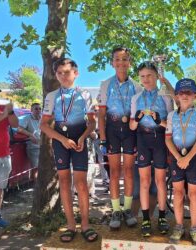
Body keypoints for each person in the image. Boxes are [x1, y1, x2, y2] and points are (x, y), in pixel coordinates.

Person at [40, 58, 98, 242]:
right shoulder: (51, 96)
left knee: (81, 184)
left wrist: (83, 137)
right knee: (64, 183)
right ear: (55, 75)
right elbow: (44, 125)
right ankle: (71, 225)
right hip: (60, 141)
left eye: (67, 72)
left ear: (76, 73)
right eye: (59, 73)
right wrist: (62, 140)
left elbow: (92, 122)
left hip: (80, 141)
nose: (63, 76)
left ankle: (86, 225)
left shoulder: (85, 94)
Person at [98, 47, 142, 229]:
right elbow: (101, 114)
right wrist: (102, 139)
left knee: (129, 171)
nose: (121, 62)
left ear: (130, 63)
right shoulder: (106, 84)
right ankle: (116, 209)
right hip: (112, 128)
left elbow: (139, 115)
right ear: (112, 63)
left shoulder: (137, 86)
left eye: (125, 59)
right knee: (115, 171)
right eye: (117, 59)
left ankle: (127, 209)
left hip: (130, 129)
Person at [129, 61, 174, 236]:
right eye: (142, 76)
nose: (146, 79)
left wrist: (158, 121)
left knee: (160, 181)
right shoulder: (136, 98)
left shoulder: (164, 96)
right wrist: (137, 119)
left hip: (160, 139)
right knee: (145, 181)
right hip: (142, 139)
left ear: (156, 76)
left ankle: (162, 216)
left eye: (149, 75)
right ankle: (146, 217)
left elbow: (170, 124)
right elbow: (132, 127)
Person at [165, 78, 196, 246]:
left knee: (195, 194)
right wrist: (178, 158)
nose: (184, 95)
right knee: (178, 193)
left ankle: (195, 228)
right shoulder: (170, 116)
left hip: (193, 157)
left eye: (188, 92)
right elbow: (168, 139)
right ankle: (179, 225)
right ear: (176, 95)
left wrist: (187, 158)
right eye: (181, 92)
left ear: (195, 96)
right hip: (177, 158)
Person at [0, 85, 18, 228]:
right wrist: (3, 114)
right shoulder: (0, 113)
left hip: (4, 155)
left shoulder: (2, 110)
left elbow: (15, 124)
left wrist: (11, 111)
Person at [18, 102, 41, 169]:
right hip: (33, 147)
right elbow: (19, 129)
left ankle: (34, 179)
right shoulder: (27, 118)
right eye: (36, 109)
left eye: (40, 109)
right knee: (35, 168)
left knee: (43, 167)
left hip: (43, 147)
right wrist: (31, 135)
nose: (38, 110)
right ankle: (34, 179)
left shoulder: (42, 118)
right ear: (31, 110)